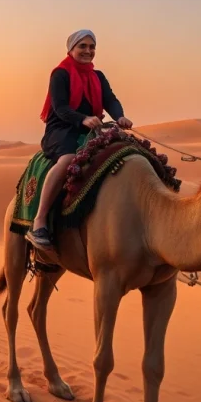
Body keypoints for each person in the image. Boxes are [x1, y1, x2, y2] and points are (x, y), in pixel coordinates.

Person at [25, 29, 133, 254]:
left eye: (92, 47)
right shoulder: (60, 74)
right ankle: (40, 220)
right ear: (71, 49)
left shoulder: (98, 76)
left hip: (91, 128)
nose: (88, 51)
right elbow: (60, 108)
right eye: (82, 46)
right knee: (67, 160)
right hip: (61, 129)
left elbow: (110, 100)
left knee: (125, 152)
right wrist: (82, 118)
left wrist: (120, 116)